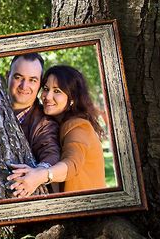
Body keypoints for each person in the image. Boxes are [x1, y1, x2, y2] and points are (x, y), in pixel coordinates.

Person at [8, 65, 106, 196]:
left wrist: (40, 175)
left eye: (57, 91)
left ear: (72, 98)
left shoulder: (78, 126)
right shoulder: (51, 123)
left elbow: (72, 164)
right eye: (46, 89)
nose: (48, 96)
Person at [6, 53, 61, 169]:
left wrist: (40, 171)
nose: (24, 86)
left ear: (40, 85)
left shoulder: (44, 124)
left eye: (32, 80)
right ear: (7, 76)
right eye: (18, 77)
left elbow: (51, 152)